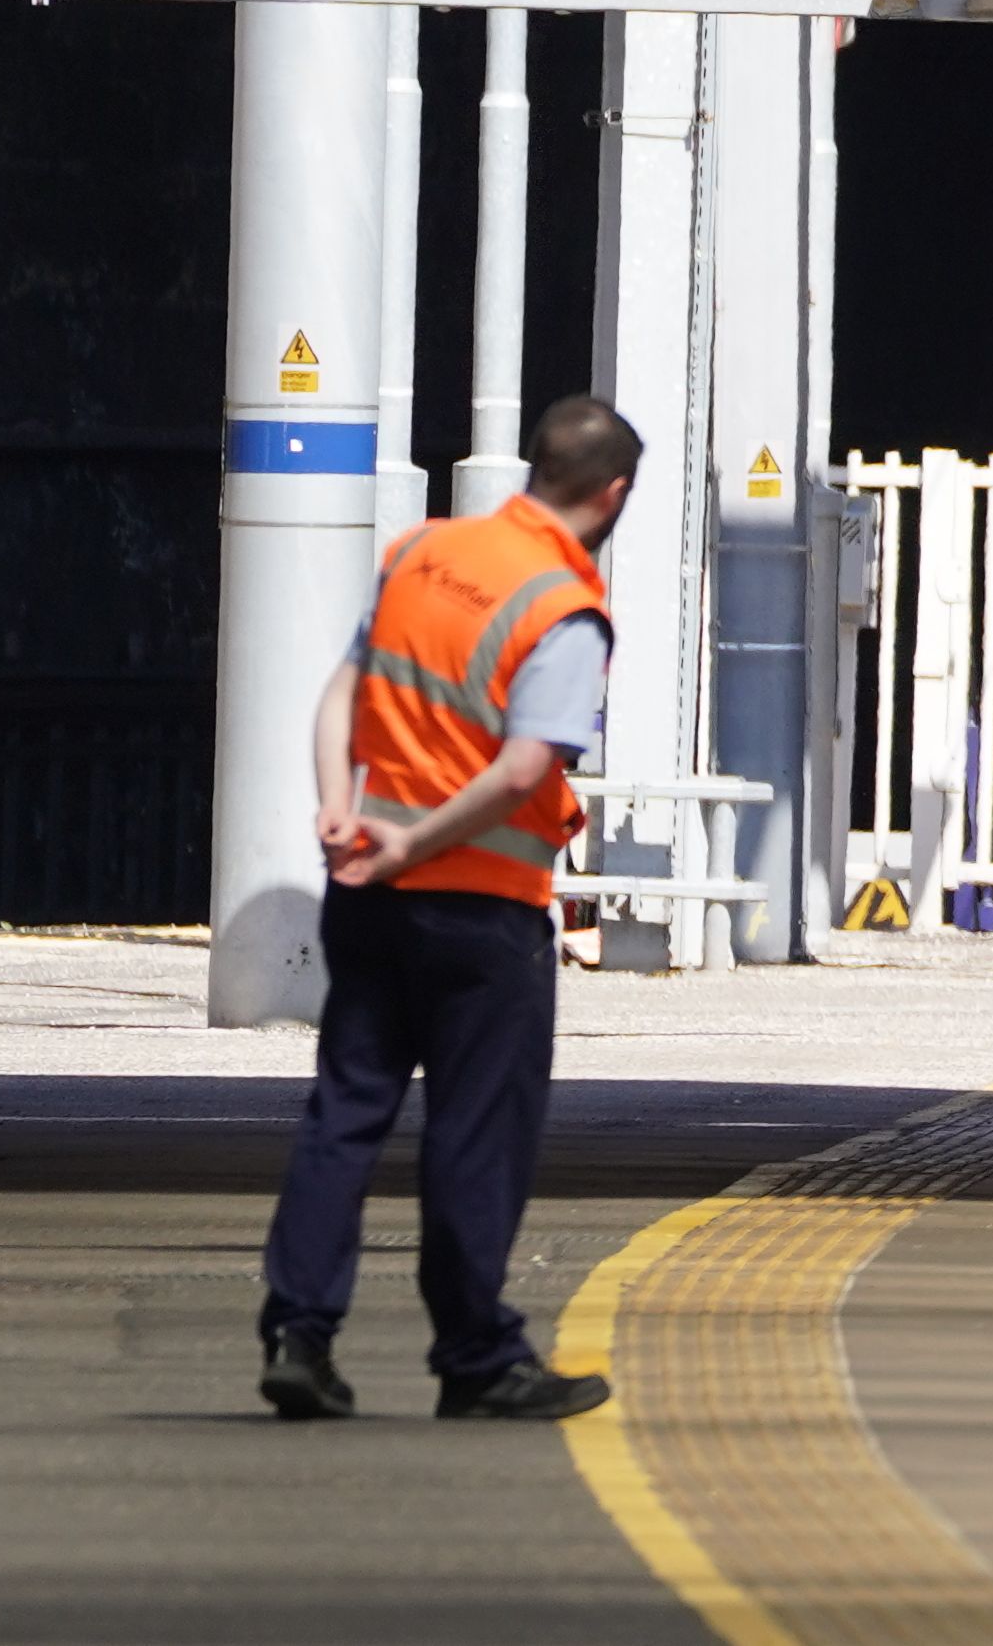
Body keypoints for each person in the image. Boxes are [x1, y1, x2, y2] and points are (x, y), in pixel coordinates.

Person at [253, 396, 641, 1422]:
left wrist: (342, 812)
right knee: (475, 1133)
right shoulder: (563, 605)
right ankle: (474, 1358)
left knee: (345, 1112)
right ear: (611, 494)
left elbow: (342, 692)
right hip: (480, 910)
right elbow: (523, 767)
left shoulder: (420, 552)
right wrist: (422, 844)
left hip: (367, 899)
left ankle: (299, 1330)